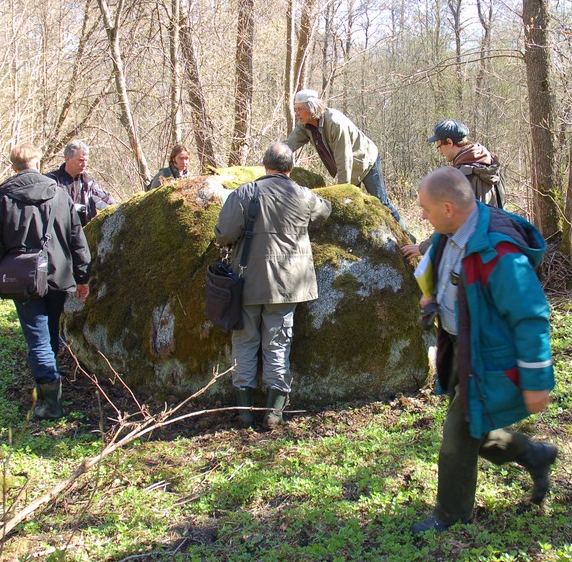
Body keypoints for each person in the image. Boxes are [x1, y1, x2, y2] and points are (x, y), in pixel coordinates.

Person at [411, 166, 557, 534]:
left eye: (425, 208)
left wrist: (537, 378)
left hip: (487, 355)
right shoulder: (449, 232)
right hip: (461, 348)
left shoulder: (499, 251)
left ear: (448, 207)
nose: (421, 214)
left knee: (456, 440)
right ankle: (533, 454)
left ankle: (450, 515)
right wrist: (433, 303)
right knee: (473, 424)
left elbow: (531, 315)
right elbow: (447, 280)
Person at [214, 142, 333, 430]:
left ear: (264, 165)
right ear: (290, 168)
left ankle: (243, 411)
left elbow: (224, 234)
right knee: (278, 344)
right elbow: (325, 210)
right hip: (288, 284)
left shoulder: (244, 192)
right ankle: (273, 412)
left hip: (247, 281)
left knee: (244, 342)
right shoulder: (303, 194)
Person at [0, 143, 92, 420]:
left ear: (14, 166)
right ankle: (46, 391)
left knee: (39, 339)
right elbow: (77, 238)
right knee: (49, 333)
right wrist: (82, 276)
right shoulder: (59, 193)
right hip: (58, 274)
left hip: (23, 278)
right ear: (38, 164)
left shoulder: (3, 195)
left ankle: (51, 404)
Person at [285, 89, 404, 226]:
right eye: (295, 109)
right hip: (349, 166)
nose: (297, 113)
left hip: (366, 161)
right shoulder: (305, 126)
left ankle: (406, 236)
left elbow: (344, 160)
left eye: (300, 109)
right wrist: (270, 159)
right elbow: (289, 144)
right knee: (354, 206)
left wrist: (341, 192)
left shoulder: (335, 123)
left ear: (312, 107)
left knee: (381, 202)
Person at [402, 119, 505, 261]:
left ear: (449, 142)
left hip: (474, 252)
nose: (441, 153)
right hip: (496, 243)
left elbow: (450, 220)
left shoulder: (463, 175)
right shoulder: (490, 164)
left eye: (440, 147)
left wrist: (423, 248)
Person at [45, 140, 115, 225]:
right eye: (81, 160)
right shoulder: (51, 181)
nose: (84, 164)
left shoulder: (89, 184)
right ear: (67, 159)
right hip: (57, 234)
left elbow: (110, 205)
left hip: (83, 234)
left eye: (86, 160)